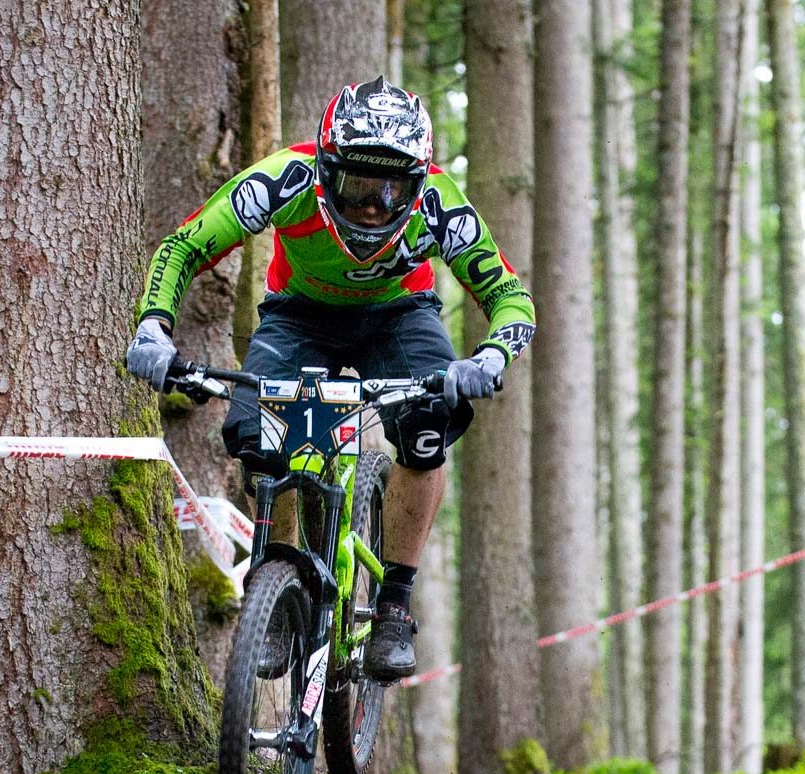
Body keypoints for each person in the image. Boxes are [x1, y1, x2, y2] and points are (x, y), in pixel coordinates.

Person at [124, 78, 535, 682]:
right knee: (262, 440)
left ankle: (394, 602)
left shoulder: (441, 204)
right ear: (325, 168)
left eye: (391, 189)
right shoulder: (284, 179)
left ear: (417, 184)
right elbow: (184, 246)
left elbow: (507, 293)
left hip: (399, 316)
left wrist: (493, 355)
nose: (373, 205)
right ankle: (281, 579)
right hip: (300, 317)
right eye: (358, 185)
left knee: (427, 428)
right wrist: (153, 328)